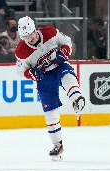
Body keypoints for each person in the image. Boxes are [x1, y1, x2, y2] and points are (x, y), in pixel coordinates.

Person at [15, 16, 85, 161]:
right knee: (50, 112)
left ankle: (77, 98)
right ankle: (57, 145)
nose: (29, 38)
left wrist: (63, 53)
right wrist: (34, 74)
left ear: (35, 29)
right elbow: (22, 71)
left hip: (58, 66)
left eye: (30, 34)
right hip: (44, 79)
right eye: (25, 36)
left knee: (67, 74)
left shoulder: (50, 32)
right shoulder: (21, 51)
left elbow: (66, 42)